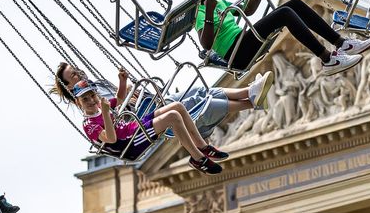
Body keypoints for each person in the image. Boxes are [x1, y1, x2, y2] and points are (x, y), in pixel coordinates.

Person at [172, 0, 370, 76]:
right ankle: (328, 59)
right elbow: (206, 44)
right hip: (238, 53)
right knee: (284, 13)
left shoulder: (222, 3)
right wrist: (208, 12)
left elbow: (249, 10)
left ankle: (342, 43)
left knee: (294, 3)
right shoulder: (199, 11)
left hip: (245, 42)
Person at [53, 64, 238, 172]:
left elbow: (118, 98)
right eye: (86, 99)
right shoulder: (89, 124)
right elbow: (111, 138)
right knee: (173, 116)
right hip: (130, 143)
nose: (92, 101)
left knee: (177, 107)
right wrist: (108, 115)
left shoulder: (102, 105)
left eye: (92, 95)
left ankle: (202, 146)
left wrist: (123, 81)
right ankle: (198, 158)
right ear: (78, 103)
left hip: (134, 130)